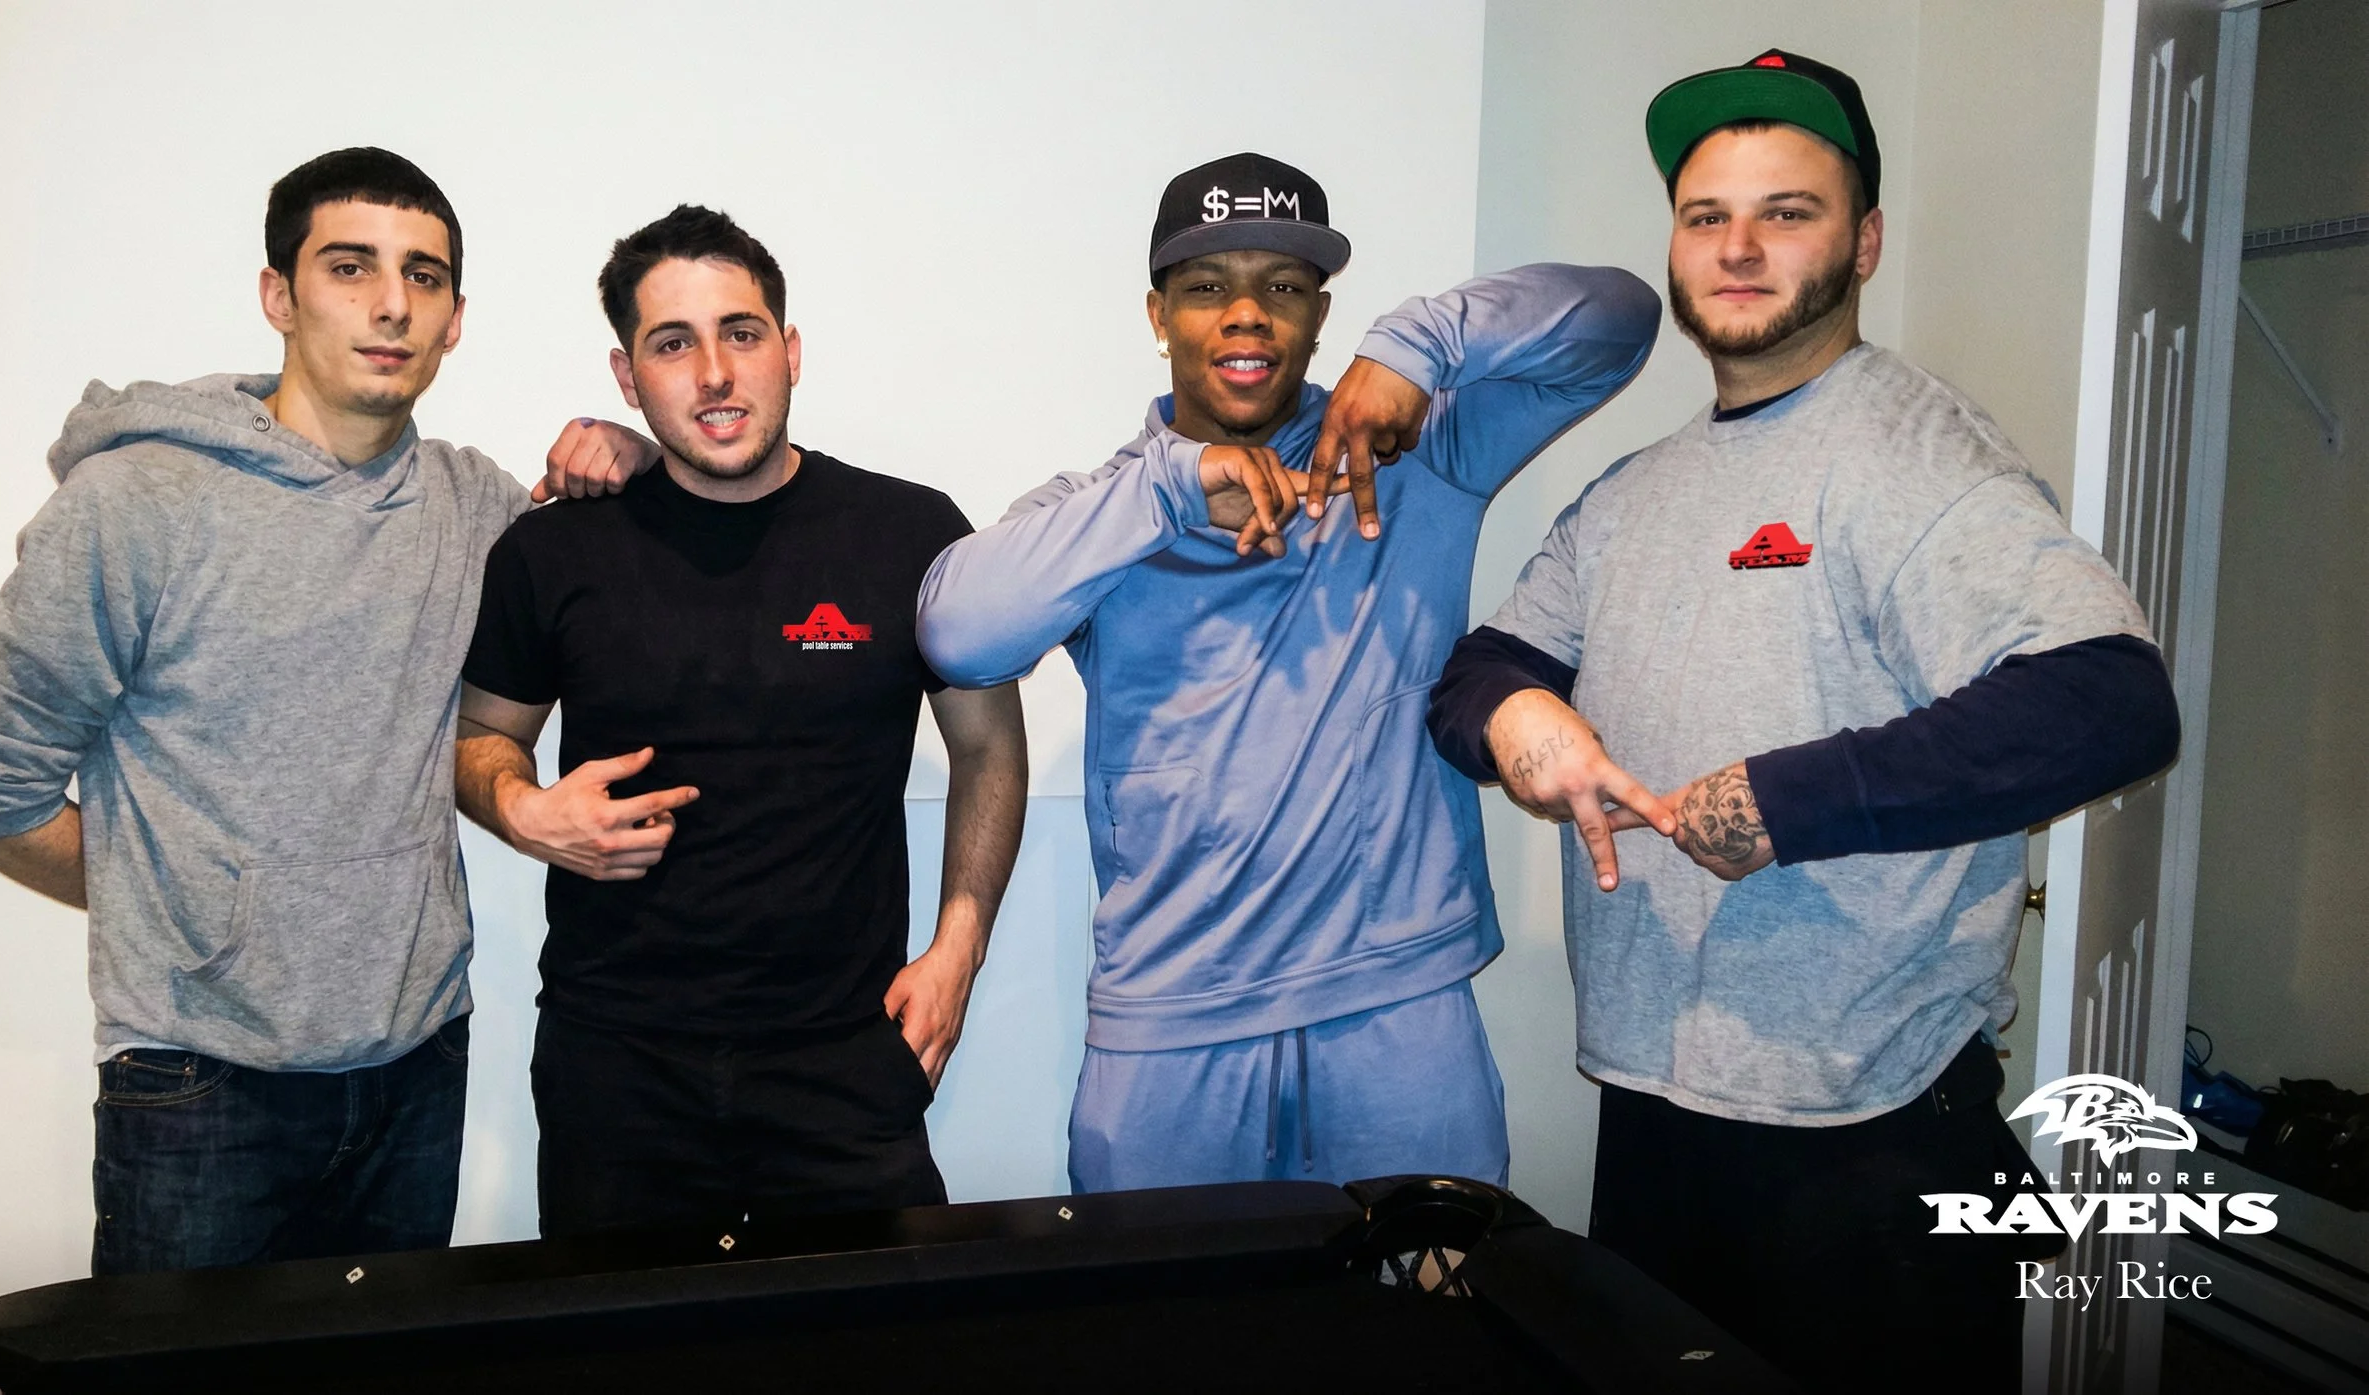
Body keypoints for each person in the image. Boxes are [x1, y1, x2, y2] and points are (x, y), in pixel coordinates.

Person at [1425, 51, 2181, 1392]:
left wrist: (1781, 801)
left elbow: (2109, 699)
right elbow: (1477, 669)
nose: (1739, 246)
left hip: (1866, 1130)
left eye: (1788, 210)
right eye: (1708, 213)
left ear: (1865, 239)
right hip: (1659, 1098)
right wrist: (1522, 717)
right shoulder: (1635, 490)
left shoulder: (1915, 456)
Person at [0, 148, 634, 1274]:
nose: (391, 303)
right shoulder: (137, 504)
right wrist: (186, 911)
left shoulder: (475, 508)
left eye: (424, 276)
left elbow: (600, 561)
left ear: (454, 320)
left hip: (417, 1067)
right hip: (198, 1088)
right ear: (278, 296)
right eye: (349, 267)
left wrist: (625, 453)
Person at [917, 152, 1659, 1192]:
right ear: (1157, 314)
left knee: (1432, 1344)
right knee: (1175, 1347)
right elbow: (956, 630)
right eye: (1206, 288)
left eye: (1282, 286)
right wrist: (1171, 494)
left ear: (1317, 315)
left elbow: (1619, 321)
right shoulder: (1102, 511)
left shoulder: (1411, 455)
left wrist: (1417, 343)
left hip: (1398, 1008)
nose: (1246, 314)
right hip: (1169, 1025)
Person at [454, 204, 1028, 1237]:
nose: (714, 372)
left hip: (847, 1060)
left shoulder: (910, 534)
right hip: (617, 1067)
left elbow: (988, 748)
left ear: (790, 351)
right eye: (673, 344)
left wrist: (957, 952)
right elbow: (477, 739)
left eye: (742, 332)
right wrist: (524, 811)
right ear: (629, 379)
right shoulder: (555, 553)